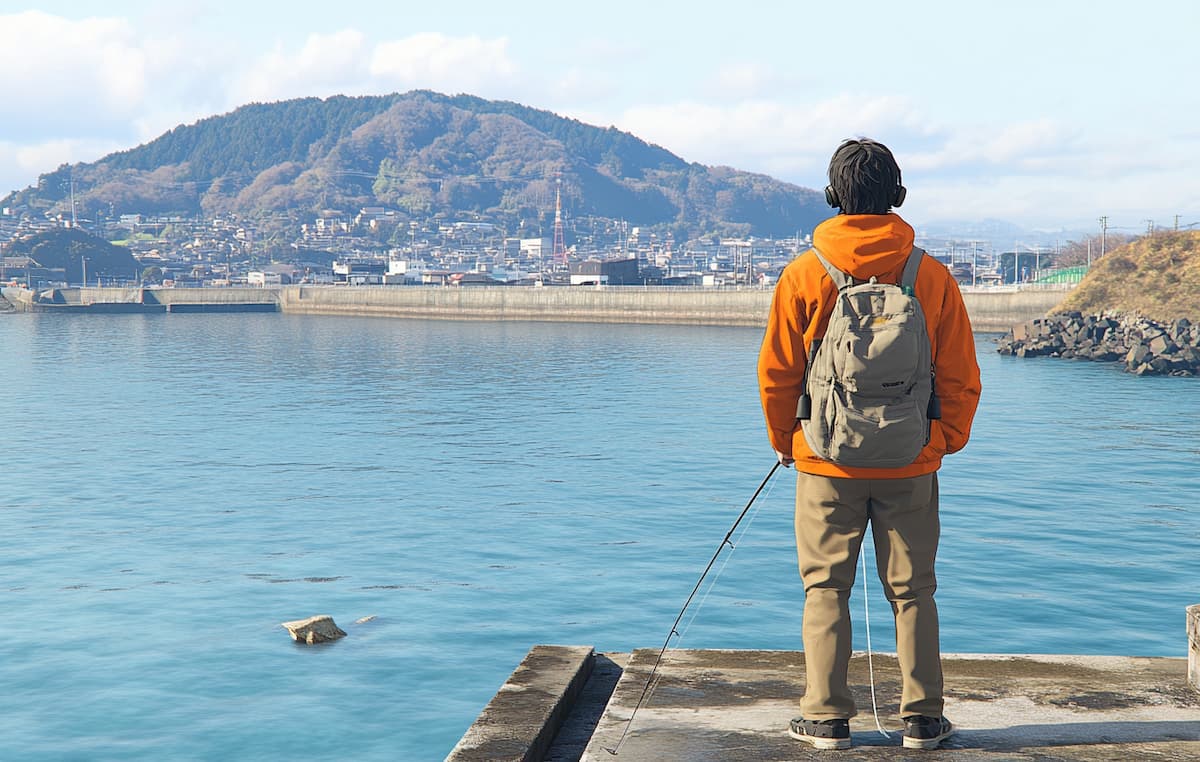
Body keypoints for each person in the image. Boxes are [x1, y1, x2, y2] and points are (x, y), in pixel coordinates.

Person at [757, 138, 981, 751]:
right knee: (913, 590)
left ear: (833, 197)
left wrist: (786, 441)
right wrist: (943, 440)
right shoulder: (930, 276)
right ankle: (923, 719)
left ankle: (827, 718)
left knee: (825, 586)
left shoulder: (805, 273)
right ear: (898, 197)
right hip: (912, 458)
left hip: (825, 459)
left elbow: (777, 372)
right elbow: (961, 375)